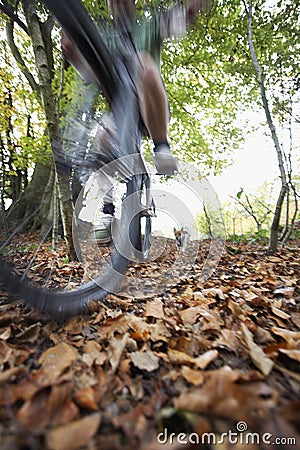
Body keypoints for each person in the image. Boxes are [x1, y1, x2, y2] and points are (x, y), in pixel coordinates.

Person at [62, 0, 212, 239]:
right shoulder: (103, 37)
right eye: (114, 1)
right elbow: (88, 72)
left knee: (145, 63)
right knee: (101, 137)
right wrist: (73, 52)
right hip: (120, 115)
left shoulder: (149, 27)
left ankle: (161, 146)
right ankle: (108, 210)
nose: (120, 4)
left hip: (149, 105)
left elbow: (177, 20)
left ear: (133, 5)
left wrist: (191, 9)